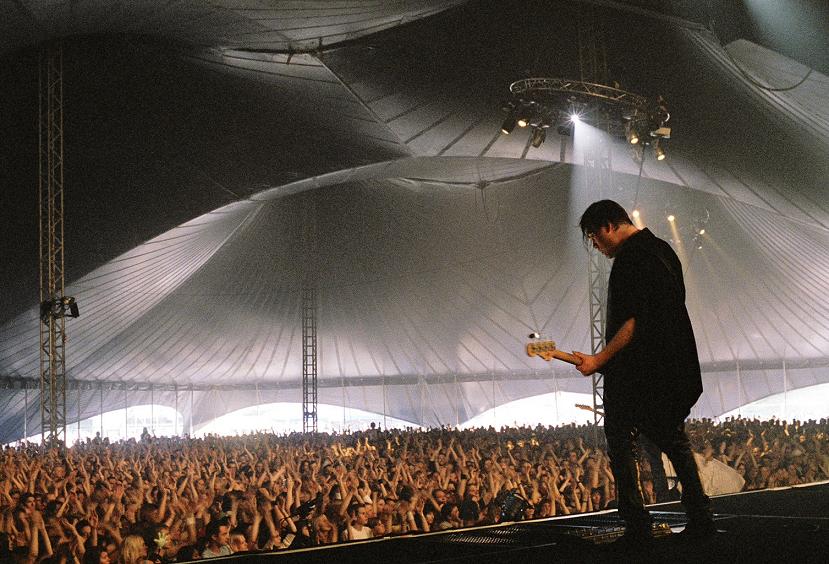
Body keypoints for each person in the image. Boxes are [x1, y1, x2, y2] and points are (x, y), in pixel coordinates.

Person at [572, 200, 715, 544]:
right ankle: (700, 516)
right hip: (670, 368)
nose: (595, 245)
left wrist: (599, 359)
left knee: (621, 442)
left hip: (638, 373)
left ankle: (637, 523)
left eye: (593, 236)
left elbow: (634, 322)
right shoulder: (663, 250)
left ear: (608, 226)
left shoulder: (630, 259)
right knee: (673, 441)